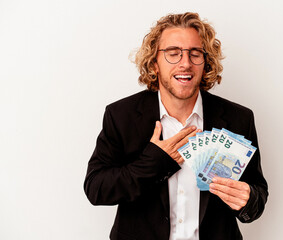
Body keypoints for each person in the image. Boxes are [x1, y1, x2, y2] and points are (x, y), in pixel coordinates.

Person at [84, 12, 268, 240]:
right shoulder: (122, 116)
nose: (185, 63)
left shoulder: (239, 118)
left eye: (195, 54)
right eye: (173, 54)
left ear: (206, 62)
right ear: (154, 64)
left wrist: (247, 200)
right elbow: (96, 189)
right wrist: (154, 161)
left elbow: (257, 195)